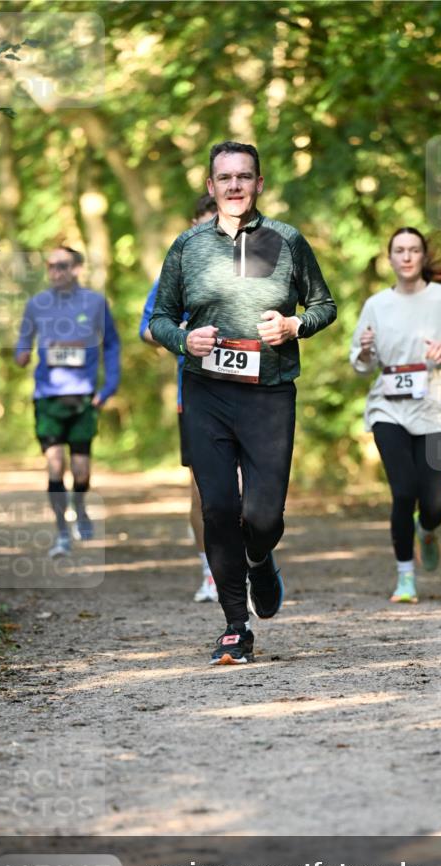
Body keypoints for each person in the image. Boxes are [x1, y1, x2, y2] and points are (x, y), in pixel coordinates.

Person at [149, 140, 336, 665]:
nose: (234, 186)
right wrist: (183, 340)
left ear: (259, 184)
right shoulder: (187, 247)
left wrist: (295, 324)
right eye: (224, 178)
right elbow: (160, 318)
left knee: (263, 515)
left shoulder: (286, 240)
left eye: (244, 177)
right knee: (218, 508)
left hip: (269, 394)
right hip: (207, 392)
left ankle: (261, 556)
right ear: (211, 186)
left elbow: (325, 304)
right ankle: (236, 625)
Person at [350, 227, 441, 603]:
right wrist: (364, 349)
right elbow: (360, 363)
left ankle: (427, 529)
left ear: (423, 256)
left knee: (435, 503)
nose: (406, 257)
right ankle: (405, 577)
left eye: (414, 250)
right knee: (403, 491)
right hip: (388, 407)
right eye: (399, 250)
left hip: (436, 407)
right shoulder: (376, 304)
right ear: (389, 258)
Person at [15, 245, 121, 557]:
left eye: (62, 265)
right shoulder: (36, 304)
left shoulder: (95, 303)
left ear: (76, 268)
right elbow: (22, 344)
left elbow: (112, 345)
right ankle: (62, 531)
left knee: (81, 470)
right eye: (50, 266)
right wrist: (20, 354)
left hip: (84, 397)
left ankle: (80, 505)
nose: (56, 271)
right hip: (47, 396)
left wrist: (110, 385)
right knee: (55, 464)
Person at [139, 194, 219, 603]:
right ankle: (210, 572)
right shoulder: (177, 268)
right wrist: (183, 336)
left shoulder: (254, 263)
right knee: (203, 488)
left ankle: (249, 565)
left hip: (251, 391)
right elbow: (149, 328)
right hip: (195, 392)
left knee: (249, 489)